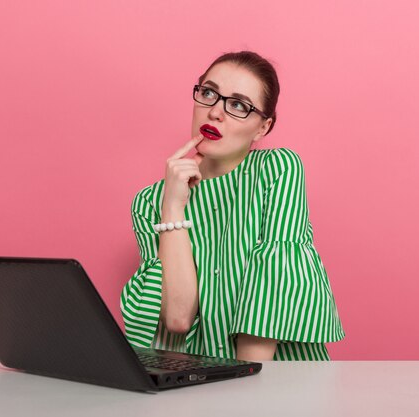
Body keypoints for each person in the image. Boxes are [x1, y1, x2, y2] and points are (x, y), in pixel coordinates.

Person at [121, 51, 345, 361]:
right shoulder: (149, 202)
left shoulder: (278, 169)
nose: (215, 113)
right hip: (195, 381)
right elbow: (178, 317)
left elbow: (271, 298)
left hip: (271, 381)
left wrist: (246, 393)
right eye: (209, 93)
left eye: (238, 105)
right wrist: (172, 207)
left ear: (262, 128)